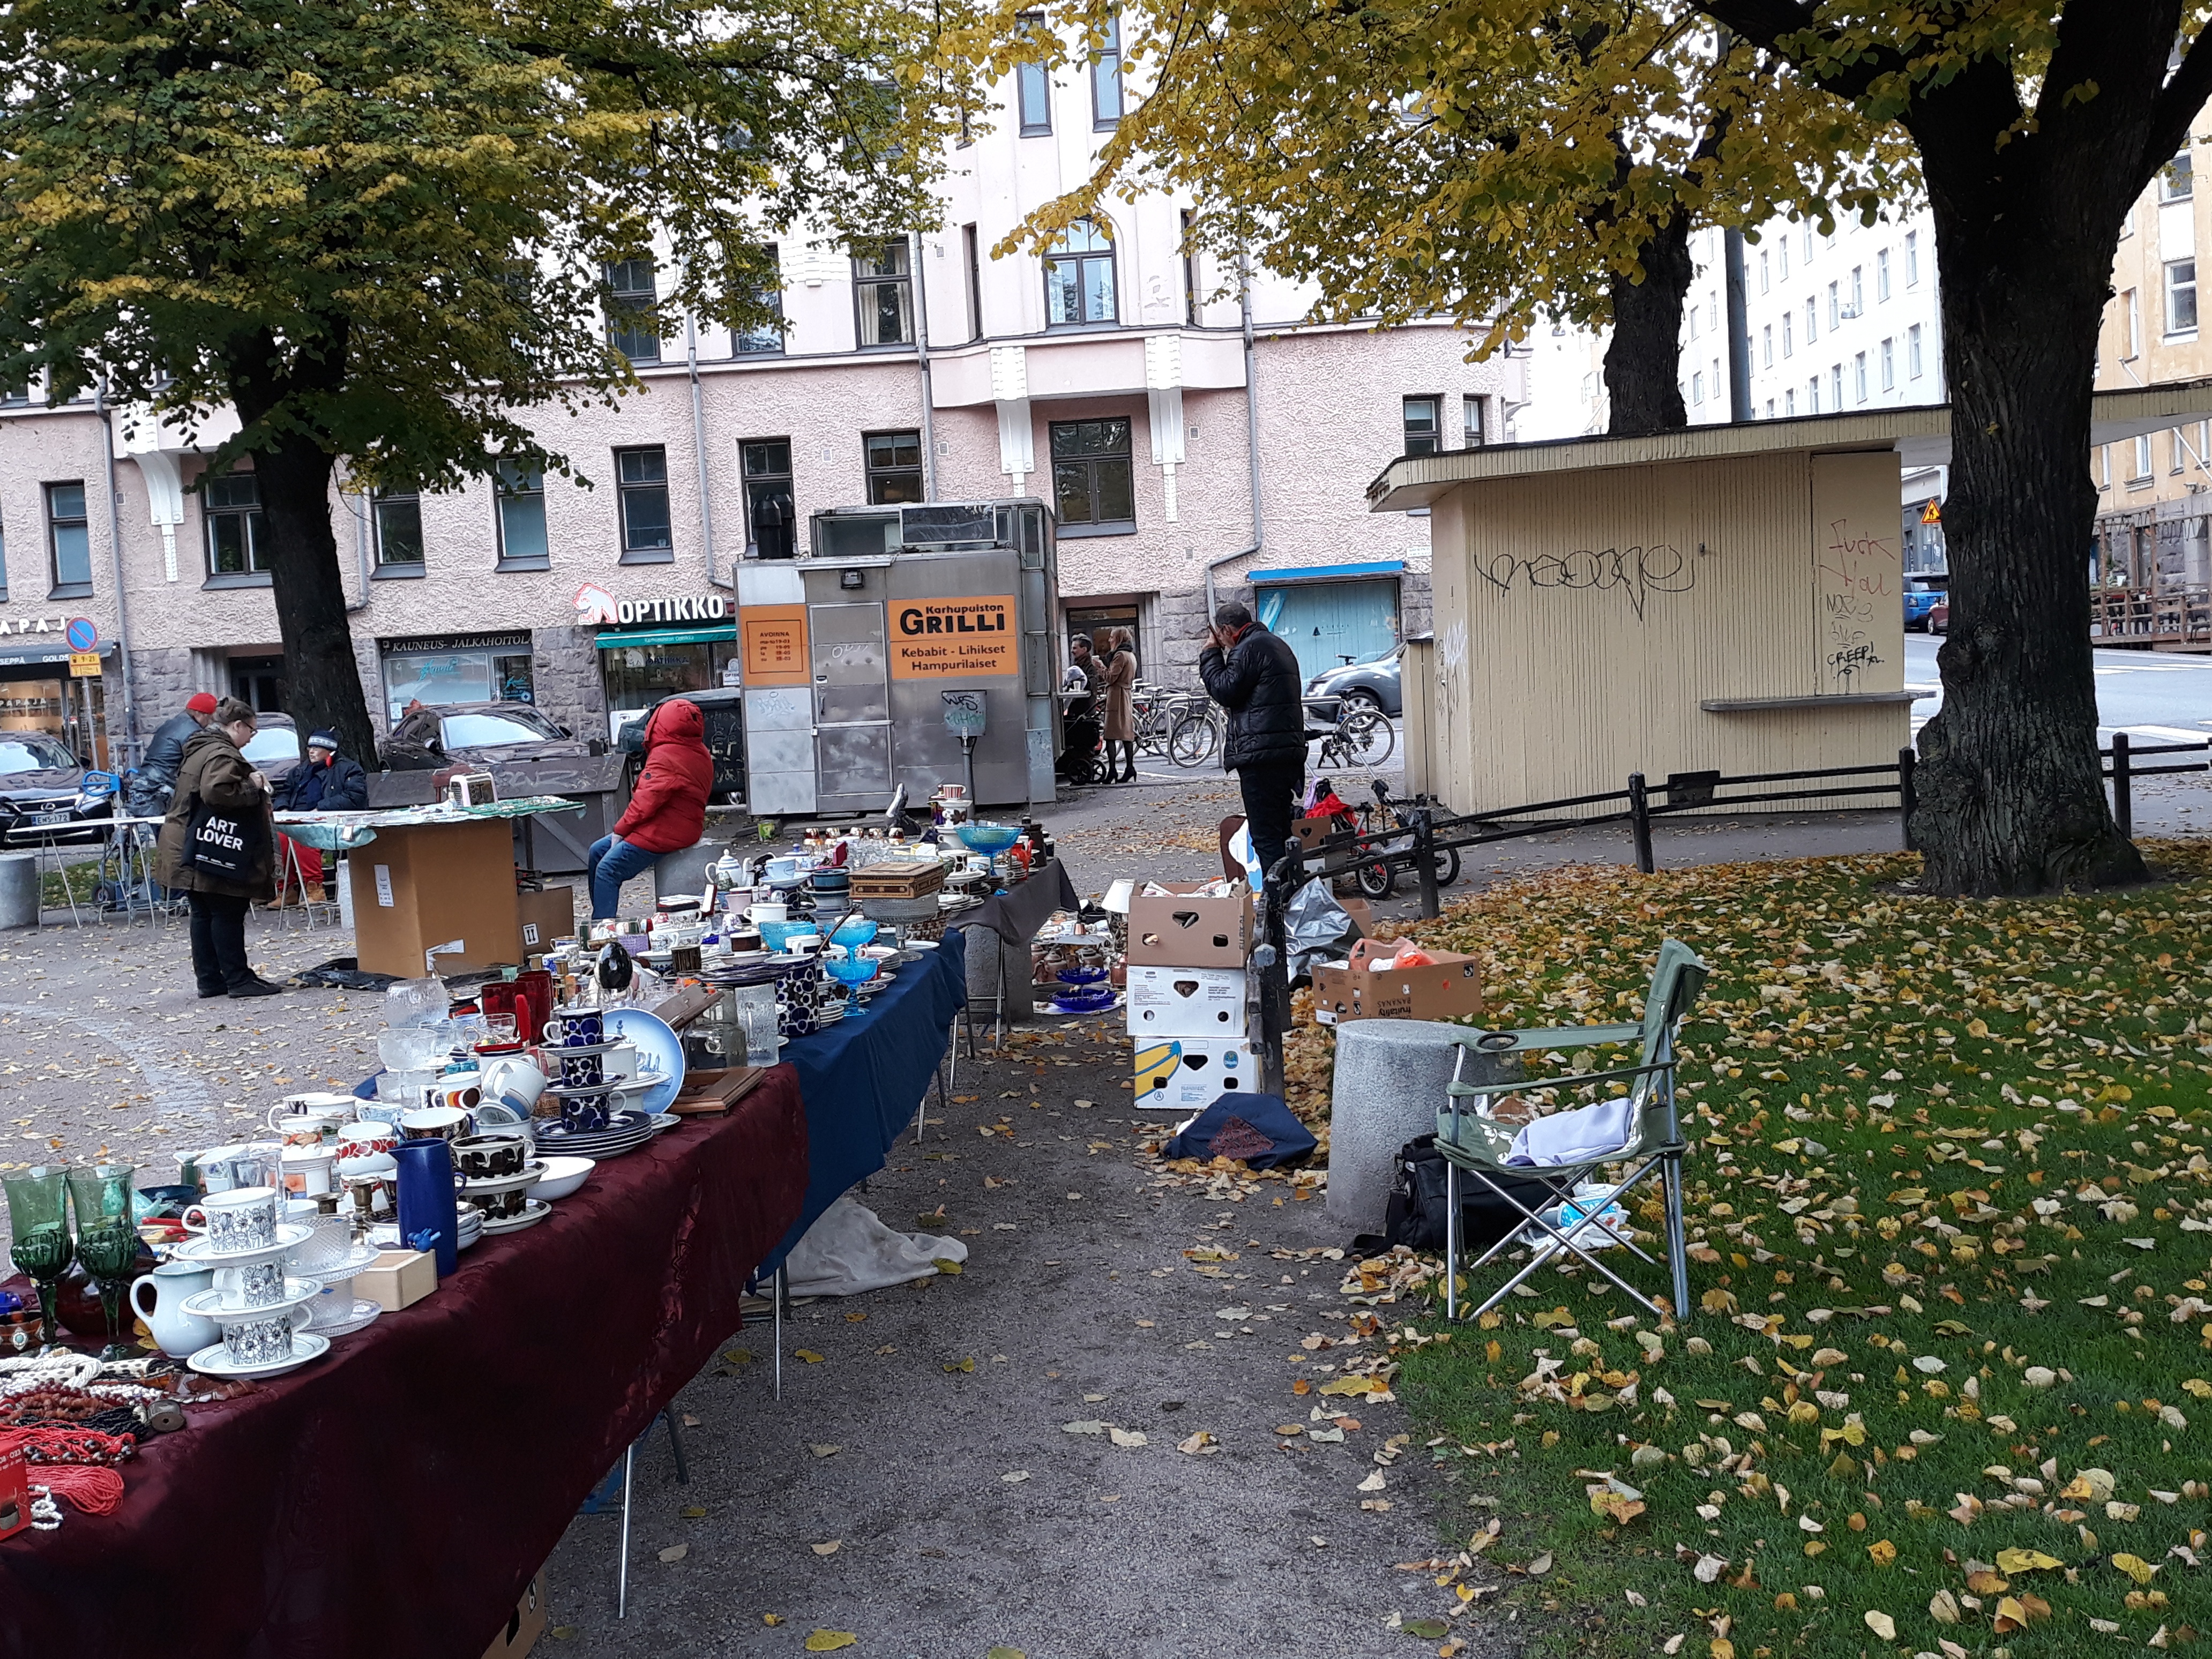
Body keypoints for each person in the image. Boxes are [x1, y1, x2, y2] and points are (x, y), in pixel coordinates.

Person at [153, 696, 284, 999]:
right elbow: (218, 792)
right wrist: (253, 785)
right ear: (237, 725)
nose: (251, 738)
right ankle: (238, 979)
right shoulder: (222, 754)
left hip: (185, 841)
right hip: (210, 845)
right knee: (227, 909)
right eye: (251, 730)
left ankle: (211, 980)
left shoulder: (200, 747)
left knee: (203, 912)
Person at [1197, 600, 1305, 891]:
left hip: (1261, 755)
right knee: (1282, 831)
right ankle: (1294, 895)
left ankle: (1280, 908)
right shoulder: (1275, 644)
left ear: (1226, 630)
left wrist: (1210, 653)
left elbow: (1224, 689)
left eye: (1219, 635)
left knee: (1266, 836)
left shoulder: (1247, 649)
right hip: (1285, 751)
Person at [587, 697, 712, 918]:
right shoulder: (697, 750)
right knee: (597, 850)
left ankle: (601, 931)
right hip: (675, 824)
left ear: (658, 724)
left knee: (608, 869)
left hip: (666, 831)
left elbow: (645, 802)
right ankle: (600, 915)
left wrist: (620, 830)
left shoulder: (666, 756)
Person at [268, 730, 369, 904]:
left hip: (332, 822)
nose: (311, 751)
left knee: (303, 837)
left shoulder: (348, 769)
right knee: (280, 839)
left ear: (329, 751)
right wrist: (283, 808)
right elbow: (285, 792)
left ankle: (315, 888)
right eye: (310, 748)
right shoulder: (299, 771)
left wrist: (320, 809)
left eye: (316, 748)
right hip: (295, 818)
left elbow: (354, 797)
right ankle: (287, 890)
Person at [128, 691, 216, 819]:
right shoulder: (193, 732)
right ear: (199, 714)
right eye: (210, 718)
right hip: (161, 792)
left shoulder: (171, 723)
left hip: (145, 788)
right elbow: (199, 766)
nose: (209, 724)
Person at [1098, 626, 1138, 783]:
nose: (1109, 640)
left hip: (1117, 696)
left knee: (1110, 736)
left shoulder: (1120, 656)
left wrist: (1100, 666)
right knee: (1126, 734)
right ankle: (1129, 768)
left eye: (1112, 637)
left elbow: (1110, 678)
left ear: (1119, 639)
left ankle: (1113, 771)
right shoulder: (1130, 655)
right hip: (1126, 695)